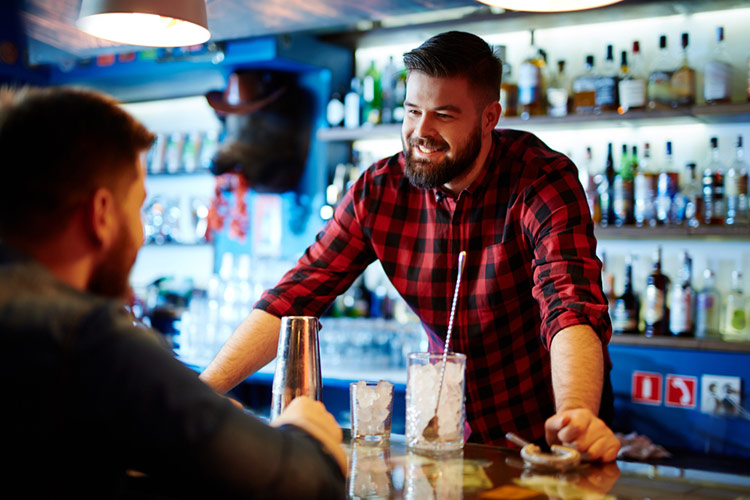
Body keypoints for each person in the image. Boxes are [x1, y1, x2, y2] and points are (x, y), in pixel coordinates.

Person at [200, 31, 621, 462]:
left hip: (549, 433)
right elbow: (294, 296)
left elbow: (569, 302)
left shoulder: (541, 178)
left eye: (443, 115)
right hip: (446, 431)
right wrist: (199, 394)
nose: (421, 132)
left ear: (489, 117)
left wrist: (575, 415)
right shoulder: (378, 191)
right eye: (412, 111)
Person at [0, 86, 346, 498]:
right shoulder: (86, 337)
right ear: (102, 214)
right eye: (139, 205)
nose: (143, 231)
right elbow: (306, 483)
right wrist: (305, 428)